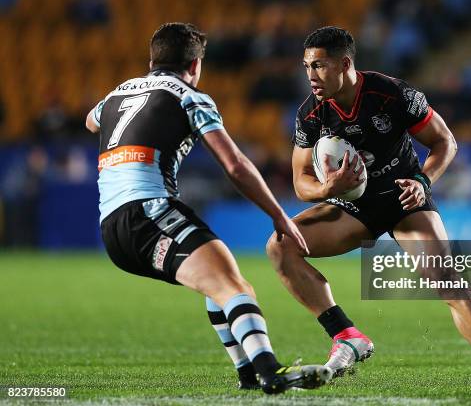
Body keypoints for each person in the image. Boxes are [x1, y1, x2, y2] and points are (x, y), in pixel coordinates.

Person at [266, 26, 471, 388]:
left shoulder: (392, 94)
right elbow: (300, 181)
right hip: (352, 206)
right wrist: (327, 187)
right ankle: (346, 336)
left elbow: (444, 142)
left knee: (443, 276)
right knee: (280, 246)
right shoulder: (311, 114)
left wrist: (422, 182)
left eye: (320, 66)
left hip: (404, 199)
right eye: (307, 66)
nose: (311, 75)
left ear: (345, 63)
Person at [85, 22, 332, 395]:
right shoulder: (189, 95)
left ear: (152, 59)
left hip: (112, 227)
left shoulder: (116, 94)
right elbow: (234, 165)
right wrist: (278, 214)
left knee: (217, 284)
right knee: (234, 286)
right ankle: (270, 371)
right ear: (196, 65)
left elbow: (92, 120)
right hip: (150, 211)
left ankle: (248, 373)